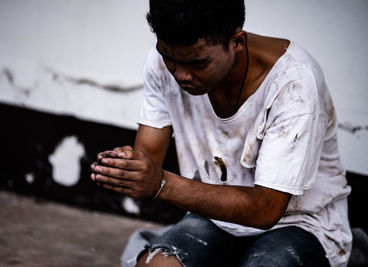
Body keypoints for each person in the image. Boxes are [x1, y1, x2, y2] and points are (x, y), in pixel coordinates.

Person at [90, 0, 352, 266]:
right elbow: (148, 160)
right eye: (169, 58)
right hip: (213, 218)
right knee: (159, 263)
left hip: (300, 224)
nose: (181, 75)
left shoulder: (294, 83)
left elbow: (266, 210)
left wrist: (159, 183)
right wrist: (127, 169)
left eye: (198, 64)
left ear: (237, 41)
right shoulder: (160, 65)